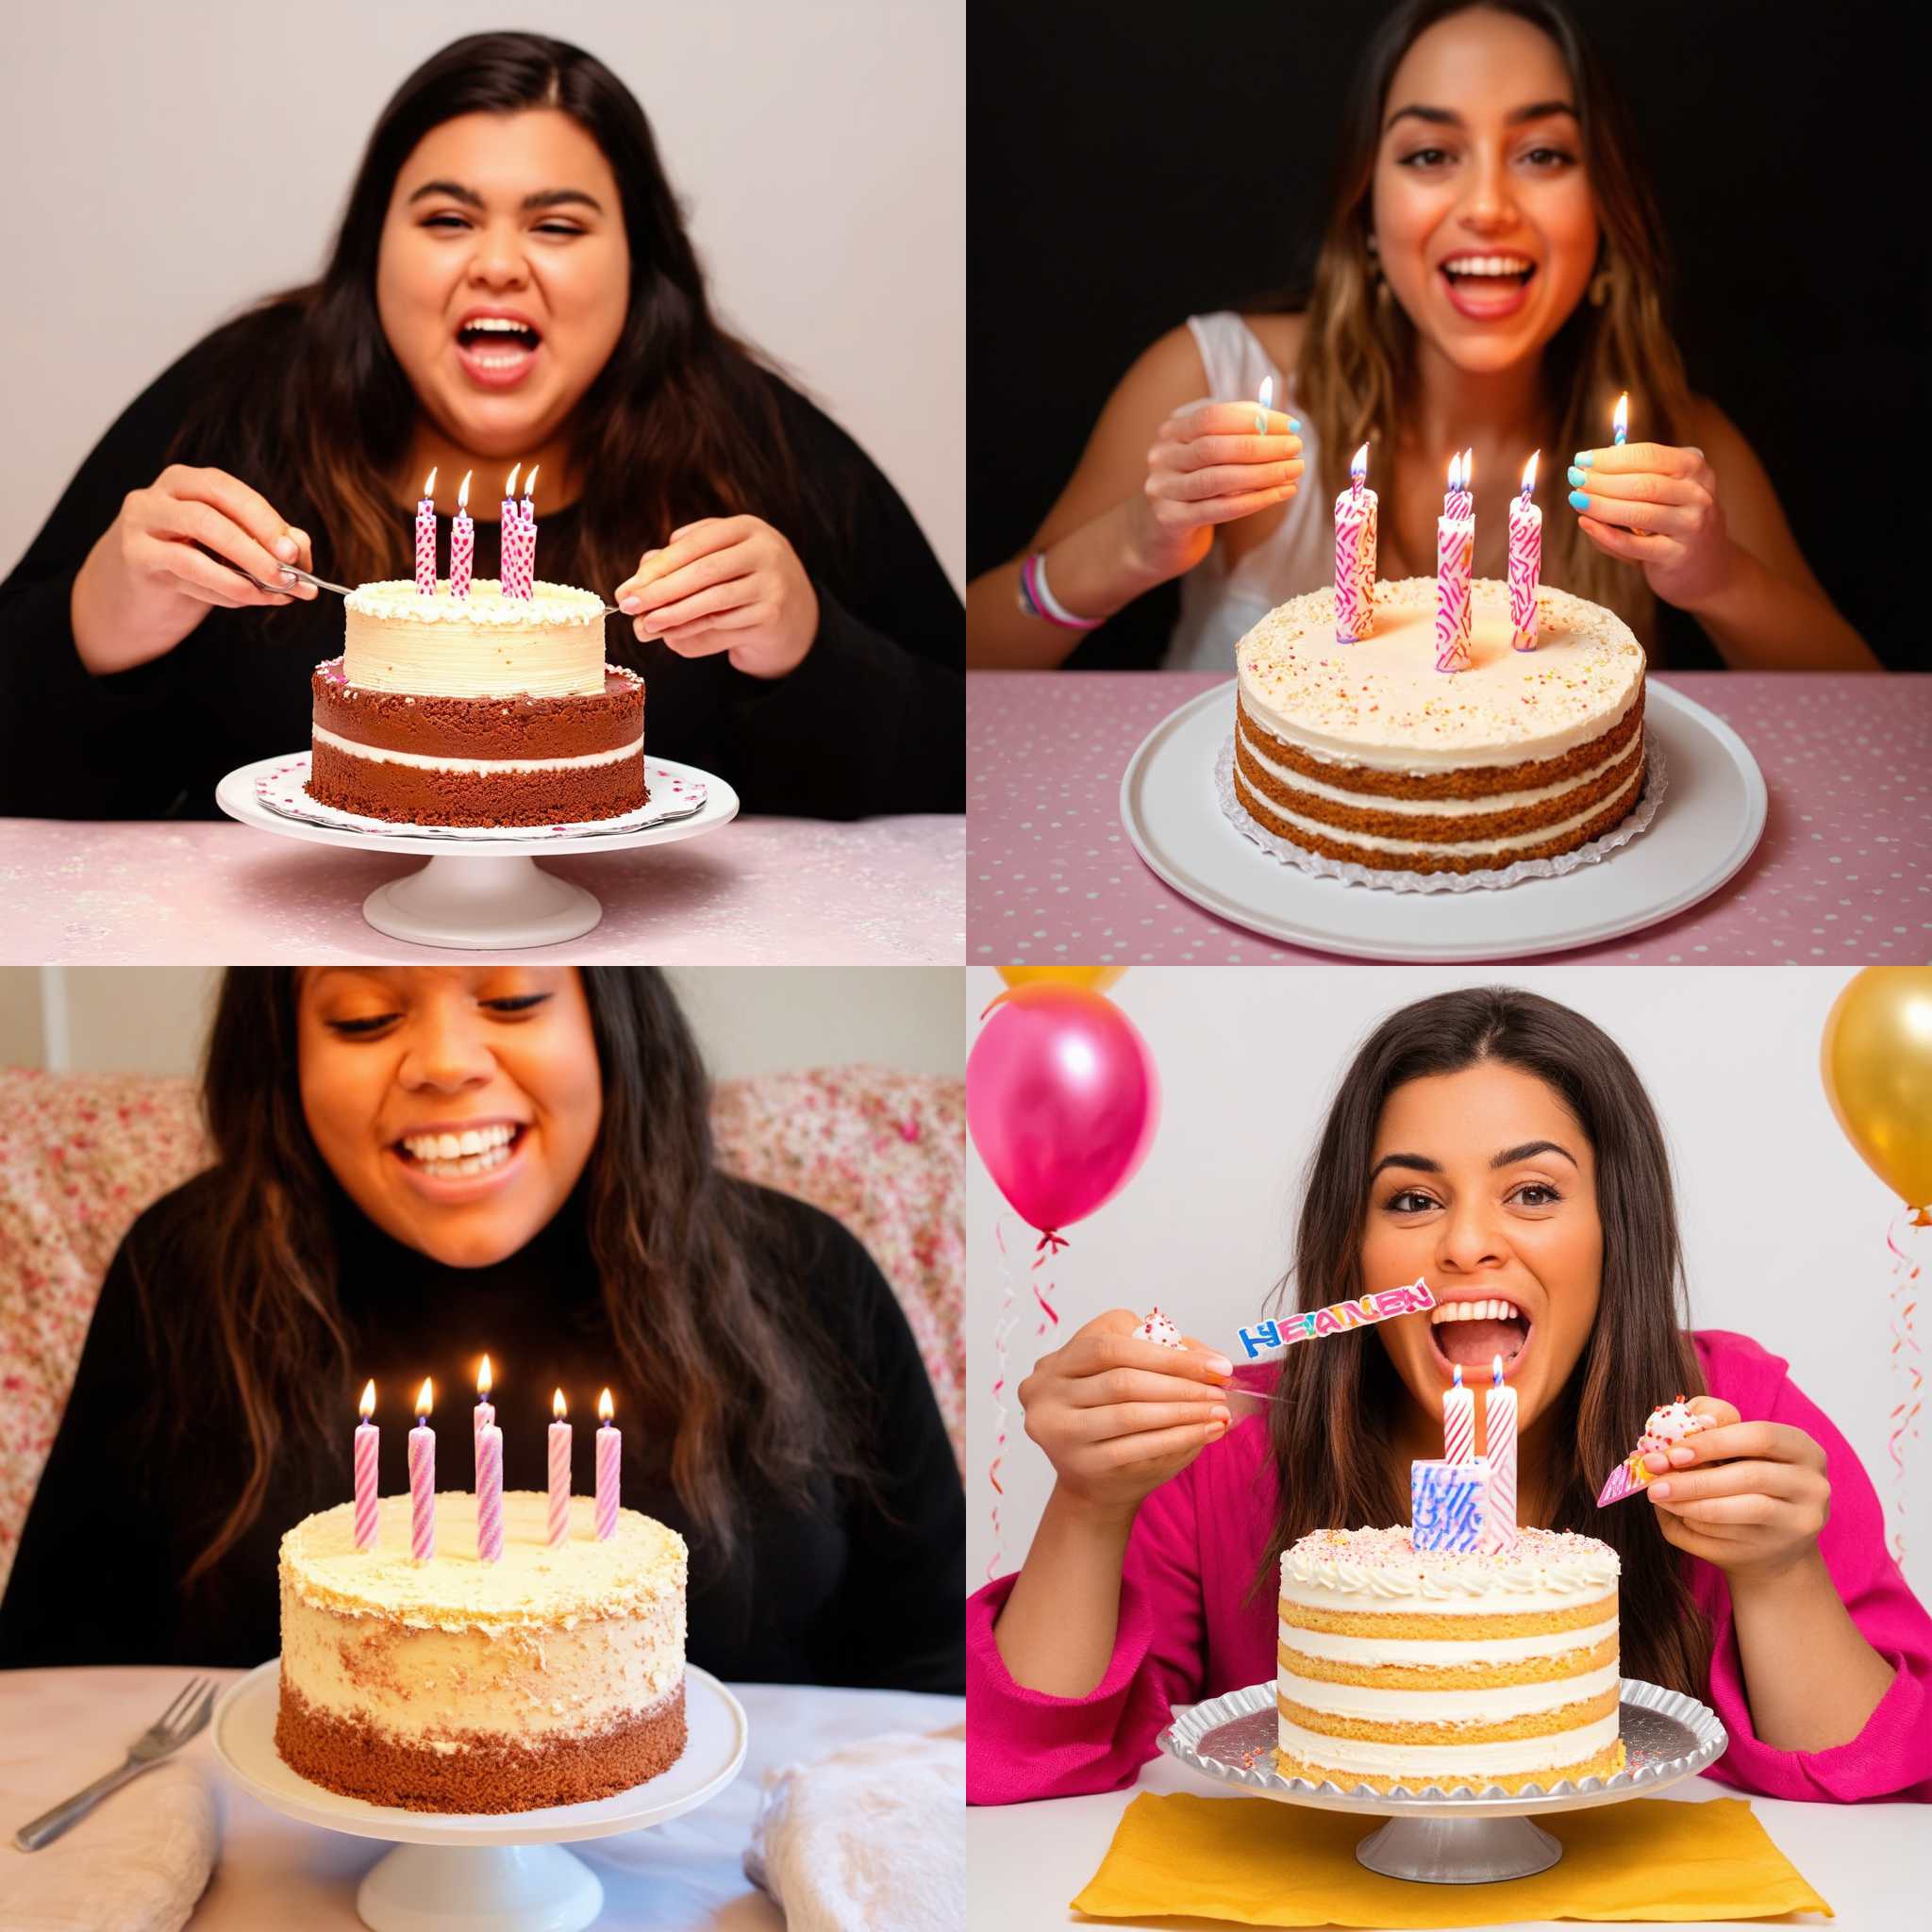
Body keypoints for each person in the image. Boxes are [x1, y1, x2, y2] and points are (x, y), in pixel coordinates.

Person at [968, 986, 1932, 1803]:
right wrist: (1090, 1499)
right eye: (1412, 1200)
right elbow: (1020, 1768)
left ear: (1614, 1227)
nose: (1466, 1242)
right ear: (1351, 1243)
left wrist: (1777, 1572)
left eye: (1532, 1192)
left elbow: (1880, 1787)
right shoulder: (1222, 1439)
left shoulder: (1731, 1413)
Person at [0, 31, 962, 821]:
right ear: (373, 252)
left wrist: (812, 647)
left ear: (641, 264)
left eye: (557, 226)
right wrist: (97, 622)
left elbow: (966, 763)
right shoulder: (240, 398)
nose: (498, 265)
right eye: (448, 219)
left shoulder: (752, 438)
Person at [0, 966, 962, 1694]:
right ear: (283, 1053)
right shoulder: (186, 1270)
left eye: (511, 1000)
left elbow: (936, 1669)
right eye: (364, 1017)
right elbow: (52, 1678)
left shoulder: (806, 1271)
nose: (447, 1062)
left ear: (609, 1019)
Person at [966, 0, 1875, 673]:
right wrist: (1126, 546)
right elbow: (964, 665)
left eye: (1544, 154)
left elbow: (1879, 726)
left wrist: (1719, 579)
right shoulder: (1213, 378)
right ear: (1366, 211)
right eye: (1431, 155)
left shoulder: (1674, 447)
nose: (1486, 206)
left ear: (1606, 213)